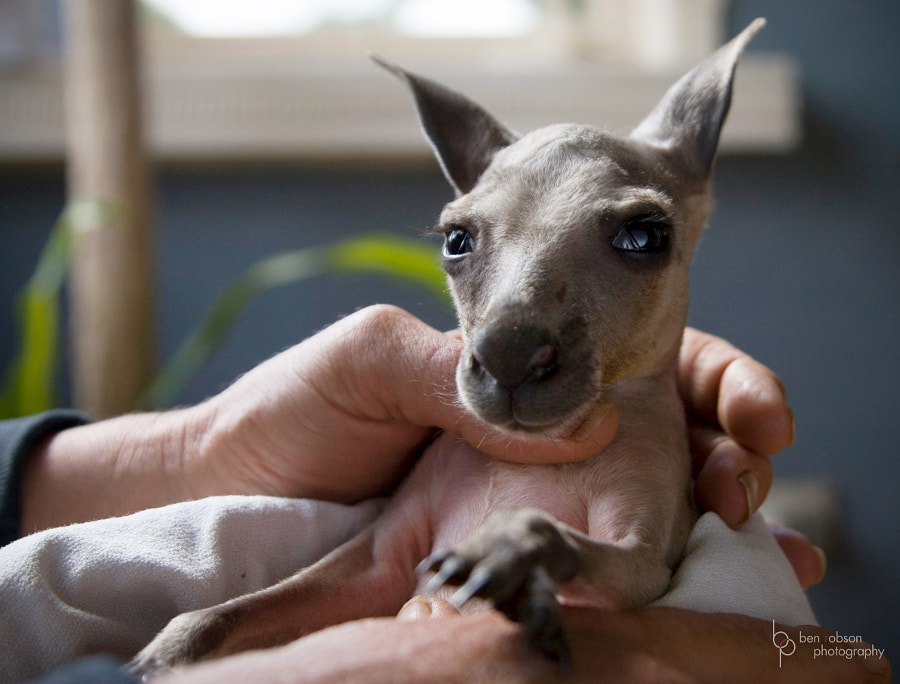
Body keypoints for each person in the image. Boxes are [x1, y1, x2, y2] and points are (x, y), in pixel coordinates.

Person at [0, 306, 887, 682]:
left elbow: (643, 577)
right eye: (465, 242)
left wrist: (205, 448)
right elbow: (380, 563)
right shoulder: (450, 444)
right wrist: (203, 639)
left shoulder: (658, 438)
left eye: (641, 241)